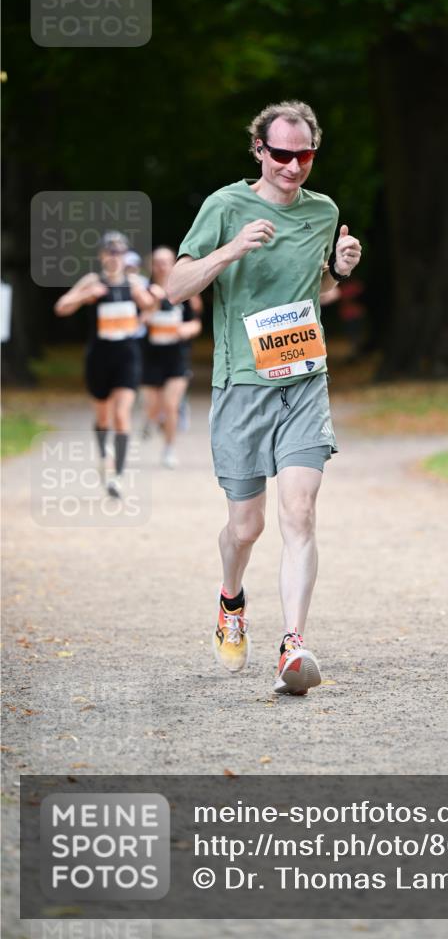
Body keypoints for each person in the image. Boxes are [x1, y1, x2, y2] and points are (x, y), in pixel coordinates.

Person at [168, 100, 361, 694]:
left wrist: (340, 268)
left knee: (300, 513)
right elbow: (174, 286)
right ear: (259, 150)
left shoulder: (323, 211)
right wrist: (231, 250)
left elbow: (317, 288)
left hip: (303, 380)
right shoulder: (225, 207)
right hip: (242, 386)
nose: (294, 166)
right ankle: (231, 598)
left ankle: (294, 643)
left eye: (305, 155)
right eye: (282, 154)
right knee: (246, 528)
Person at [54, 230, 155, 497]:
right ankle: (103, 456)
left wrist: (141, 298)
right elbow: (61, 306)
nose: (114, 257)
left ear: (125, 256)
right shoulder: (92, 280)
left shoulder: (133, 282)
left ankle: (117, 476)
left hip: (127, 357)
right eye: (110, 252)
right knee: (103, 417)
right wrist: (85, 295)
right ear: (101, 256)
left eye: (119, 252)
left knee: (122, 415)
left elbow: (150, 307)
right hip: (99, 357)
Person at [141, 246, 202, 468]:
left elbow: (196, 321)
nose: (161, 266)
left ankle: (168, 449)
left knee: (170, 405)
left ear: (173, 264)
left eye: (166, 261)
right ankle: (152, 419)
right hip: (150, 356)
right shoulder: (144, 291)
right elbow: (139, 320)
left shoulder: (184, 291)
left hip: (177, 356)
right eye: (157, 262)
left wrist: (189, 329)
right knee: (152, 407)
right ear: (151, 266)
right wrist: (154, 303)